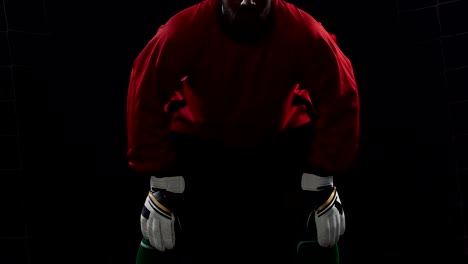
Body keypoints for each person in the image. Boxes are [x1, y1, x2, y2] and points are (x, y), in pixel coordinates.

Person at [126, 0, 360, 263]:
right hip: (199, 144)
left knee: (322, 231)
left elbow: (341, 95)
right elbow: (144, 91)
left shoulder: (305, 31)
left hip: (280, 142)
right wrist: (160, 182)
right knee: (160, 234)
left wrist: (323, 180)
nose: (248, 2)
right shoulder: (181, 30)